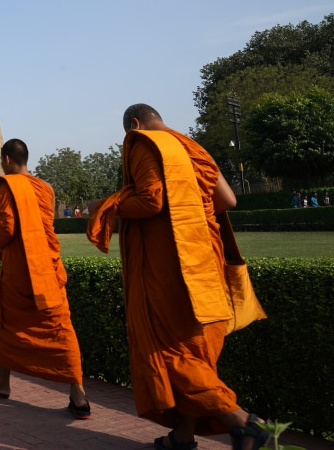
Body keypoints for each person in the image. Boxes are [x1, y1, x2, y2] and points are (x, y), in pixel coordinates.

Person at [86, 104, 269, 450]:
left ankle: (242, 421)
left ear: (135, 125)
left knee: (167, 350)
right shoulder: (193, 147)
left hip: (170, 268)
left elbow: (151, 201)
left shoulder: (144, 143)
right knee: (194, 351)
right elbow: (227, 200)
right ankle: (182, 437)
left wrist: (106, 205)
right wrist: (190, 214)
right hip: (205, 264)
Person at [0, 139, 91, 421]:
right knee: (59, 325)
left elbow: (8, 227)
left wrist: (0, 245)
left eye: (2, 161)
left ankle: (2, 383)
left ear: (8, 160)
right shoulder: (45, 188)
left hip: (20, 269)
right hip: (48, 267)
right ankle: (78, 394)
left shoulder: (6, 184)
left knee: (8, 323)